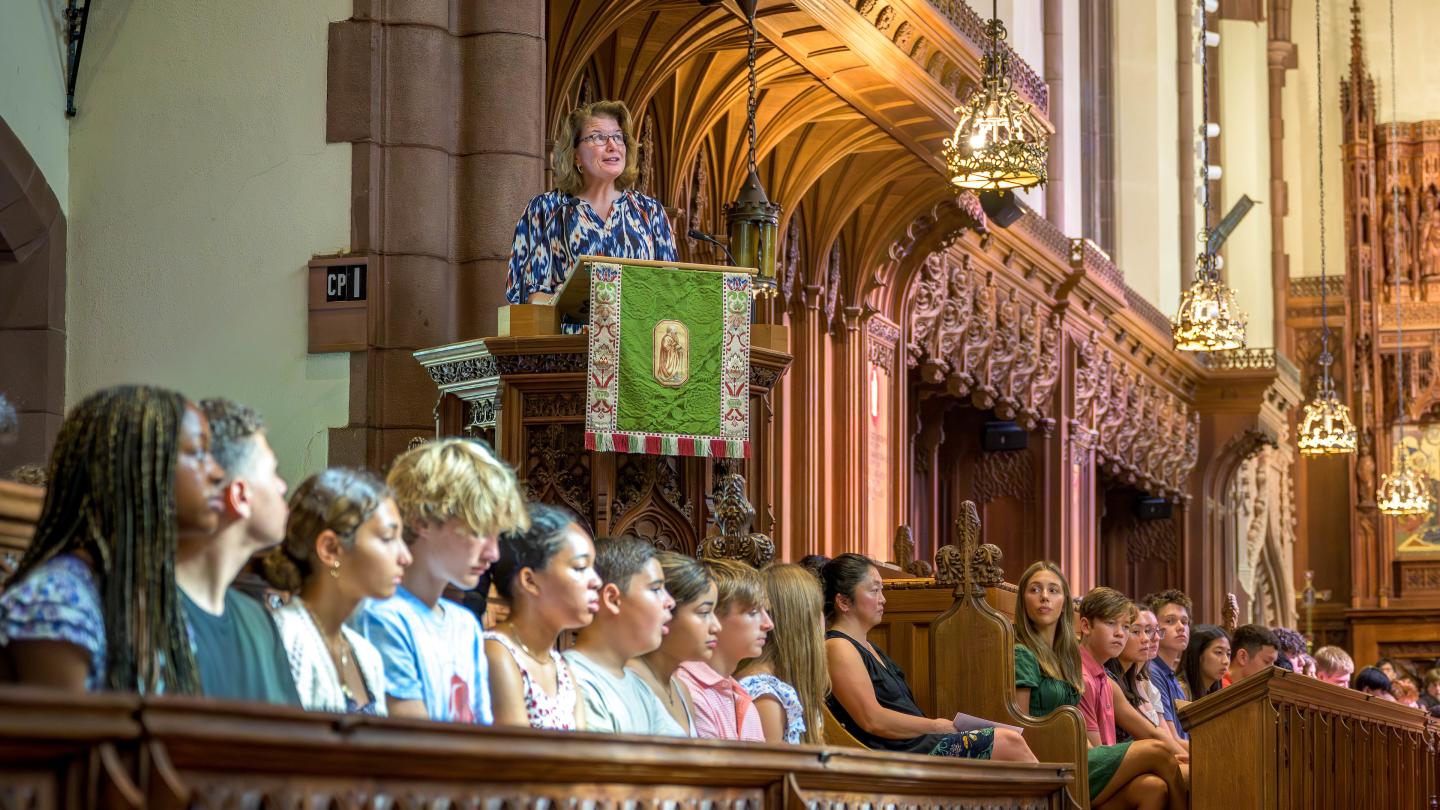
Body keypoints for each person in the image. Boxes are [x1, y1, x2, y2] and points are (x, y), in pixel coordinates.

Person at [0, 385, 221, 693]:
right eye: (199, 453)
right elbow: (66, 737)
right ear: (137, 469)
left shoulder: (153, 598)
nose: (217, 472)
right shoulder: (57, 597)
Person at [351, 438, 529, 723]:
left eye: (497, 536)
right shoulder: (382, 616)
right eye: (479, 531)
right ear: (422, 520)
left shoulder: (464, 625)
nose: (493, 553)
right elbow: (413, 742)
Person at [822, 553, 1034, 762]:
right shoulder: (838, 646)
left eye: (882, 590)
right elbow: (871, 719)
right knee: (1008, 741)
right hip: (894, 754)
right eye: (874, 590)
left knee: (1009, 741)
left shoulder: (869, 647)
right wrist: (934, 725)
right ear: (843, 601)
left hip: (914, 744)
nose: (883, 599)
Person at [1014, 567, 1184, 808]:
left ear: (1064, 601)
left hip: (1079, 754)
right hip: (1052, 760)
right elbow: (1021, 725)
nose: (1044, 596)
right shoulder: (1024, 653)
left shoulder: (1064, 659)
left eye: (1053, 590)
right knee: (1158, 751)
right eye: (1035, 589)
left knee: (1152, 788)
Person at [176, 399, 300, 705]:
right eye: (273, 473)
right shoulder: (152, 613)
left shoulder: (259, 621)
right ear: (240, 495)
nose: (283, 486)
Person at [262, 469, 409, 714]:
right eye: (387, 538)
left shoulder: (366, 655)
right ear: (330, 549)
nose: (405, 557)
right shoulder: (286, 641)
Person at [506, 100, 678, 310]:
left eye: (617, 137)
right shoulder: (546, 210)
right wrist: (591, 306)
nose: (612, 145)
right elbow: (526, 295)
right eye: (598, 137)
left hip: (634, 341)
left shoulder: (651, 212)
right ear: (575, 154)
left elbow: (671, 290)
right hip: (569, 340)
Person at [485, 503, 600, 730]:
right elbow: (520, 760)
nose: (596, 581)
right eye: (580, 567)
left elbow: (582, 753)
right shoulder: (498, 653)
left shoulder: (560, 666)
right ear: (530, 581)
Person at [563, 535, 681, 735]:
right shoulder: (576, 679)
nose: (670, 602)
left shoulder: (638, 687)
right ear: (612, 599)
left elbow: (680, 754)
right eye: (656, 589)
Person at [676, 559, 773, 742]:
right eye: (753, 612)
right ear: (713, 615)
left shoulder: (738, 693)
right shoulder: (688, 690)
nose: (768, 624)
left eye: (765, 611)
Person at [630, 551, 720, 736]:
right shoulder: (630, 683)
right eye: (704, 612)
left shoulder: (681, 690)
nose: (716, 626)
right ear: (667, 611)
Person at [737, 563, 829, 744]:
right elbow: (768, 771)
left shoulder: (782, 682)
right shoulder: (766, 698)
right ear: (804, 621)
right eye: (820, 609)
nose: (824, 619)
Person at [1142, 590, 1193, 741]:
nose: (1181, 627)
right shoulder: (1152, 671)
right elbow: (1172, 739)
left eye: (1184, 622)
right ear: (1153, 629)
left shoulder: (1170, 675)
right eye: (1170, 621)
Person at [1179, 625, 1230, 700]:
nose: (1226, 661)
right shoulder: (1180, 691)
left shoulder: (1214, 691)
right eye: (1219, 652)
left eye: (1228, 654)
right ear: (1198, 654)